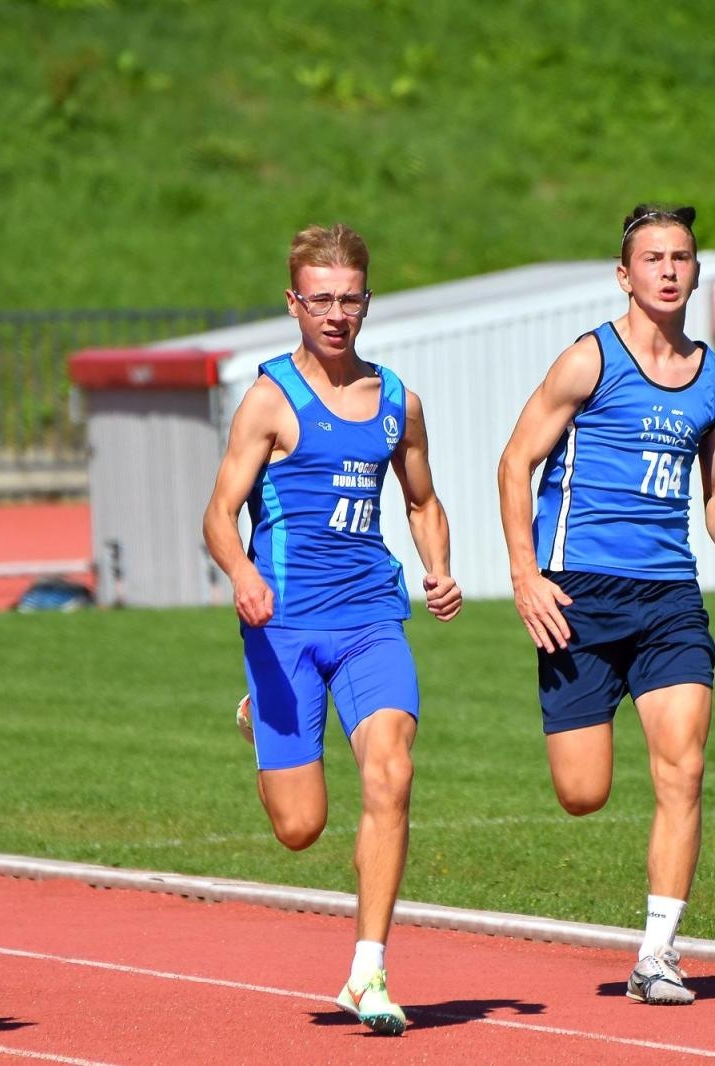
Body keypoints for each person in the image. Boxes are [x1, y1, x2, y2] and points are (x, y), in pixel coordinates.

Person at [203, 223, 461, 1036]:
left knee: (391, 774)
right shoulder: (270, 399)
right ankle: (260, 715)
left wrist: (438, 567)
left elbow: (422, 501)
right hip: (282, 626)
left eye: (350, 300)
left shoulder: (397, 403)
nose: (337, 314)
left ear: (367, 303)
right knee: (300, 826)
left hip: (370, 618)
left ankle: (368, 970)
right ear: (294, 304)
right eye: (321, 300)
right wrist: (243, 575)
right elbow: (218, 513)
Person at [497, 203, 715, 1006]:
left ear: (696, 271)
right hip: (578, 594)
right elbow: (514, 463)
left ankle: (658, 955)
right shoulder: (588, 362)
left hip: (669, 599)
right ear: (625, 274)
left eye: (682, 257)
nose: (669, 270)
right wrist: (524, 575)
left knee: (684, 766)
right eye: (653, 258)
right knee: (584, 793)